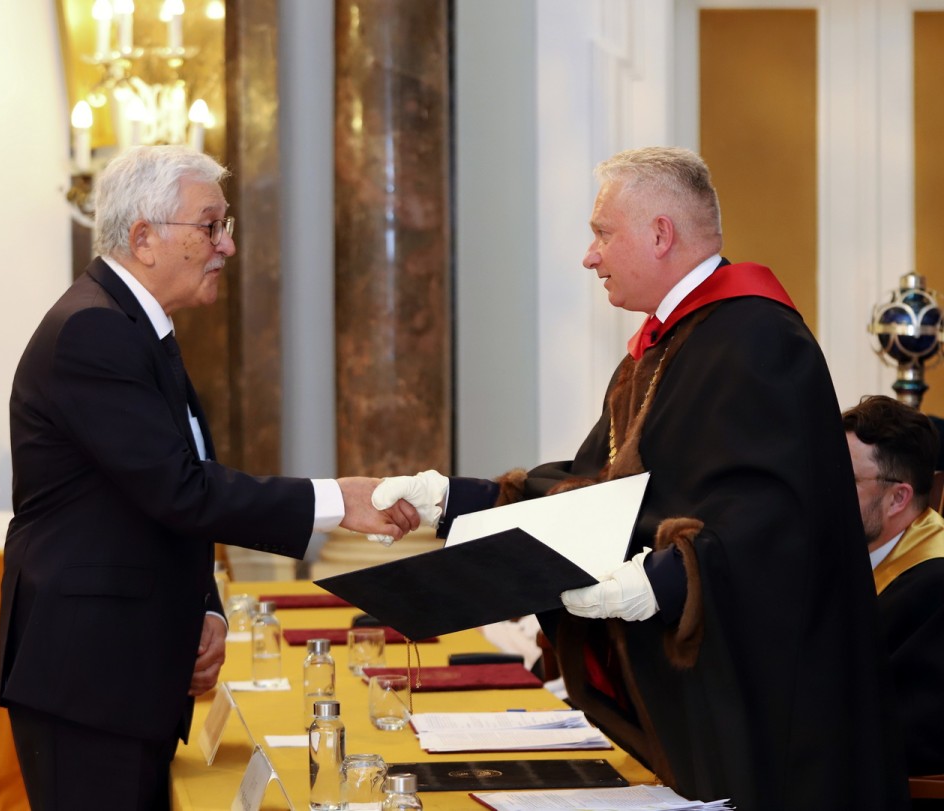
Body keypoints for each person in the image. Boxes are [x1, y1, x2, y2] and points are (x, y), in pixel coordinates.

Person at [373, 147, 909, 809]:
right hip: (702, 705)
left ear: (660, 234)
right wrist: (453, 500)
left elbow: (779, 518)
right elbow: (591, 490)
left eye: (602, 233)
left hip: (777, 719)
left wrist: (661, 580)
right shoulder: (667, 347)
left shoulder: (759, 337)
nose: (589, 256)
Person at [0, 145, 414, 810]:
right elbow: (179, 489)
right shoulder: (94, 331)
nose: (228, 245)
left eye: (227, 225)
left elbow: (159, 495)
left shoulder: (131, 324)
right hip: (90, 674)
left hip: (118, 667)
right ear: (143, 238)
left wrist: (206, 604)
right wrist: (338, 499)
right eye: (211, 226)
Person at [843, 394, 944, 777]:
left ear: (897, 498)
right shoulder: (850, 556)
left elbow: (913, 736)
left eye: (846, 479)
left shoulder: (935, 586)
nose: (824, 492)